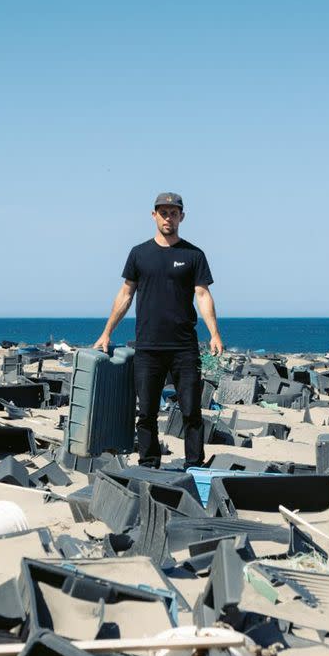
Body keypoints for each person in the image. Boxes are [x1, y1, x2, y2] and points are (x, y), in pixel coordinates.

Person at [95, 191, 224, 468]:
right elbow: (125, 295)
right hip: (148, 347)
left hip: (184, 348)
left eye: (173, 212)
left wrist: (214, 333)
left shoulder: (193, 255)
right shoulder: (139, 254)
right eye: (163, 212)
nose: (168, 217)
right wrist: (107, 332)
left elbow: (202, 295)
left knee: (191, 412)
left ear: (182, 217)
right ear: (154, 215)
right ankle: (149, 465)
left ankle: (194, 467)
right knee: (147, 414)